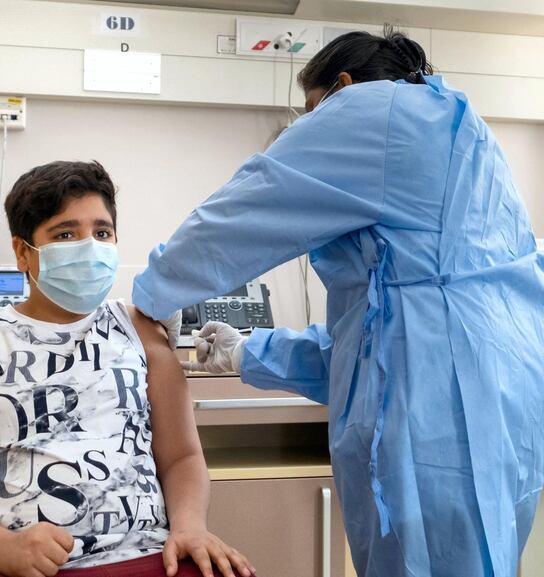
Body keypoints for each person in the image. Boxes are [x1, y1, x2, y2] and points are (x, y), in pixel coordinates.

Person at [132, 28, 544, 577]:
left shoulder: (373, 110)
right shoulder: (463, 137)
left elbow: (246, 208)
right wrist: (249, 353)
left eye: (312, 112)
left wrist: (149, 293)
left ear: (342, 88)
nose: (310, 128)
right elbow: (376, 341)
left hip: (437, 432)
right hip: (503, 416)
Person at [0, 161, 254, 577]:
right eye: (66, 234)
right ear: (21, 252)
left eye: (102, 233)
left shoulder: (140, 330)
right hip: (8, 564)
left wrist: (191, 527)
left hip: (148, 555)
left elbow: (181, 456)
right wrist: (1, 547)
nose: (90, 247)